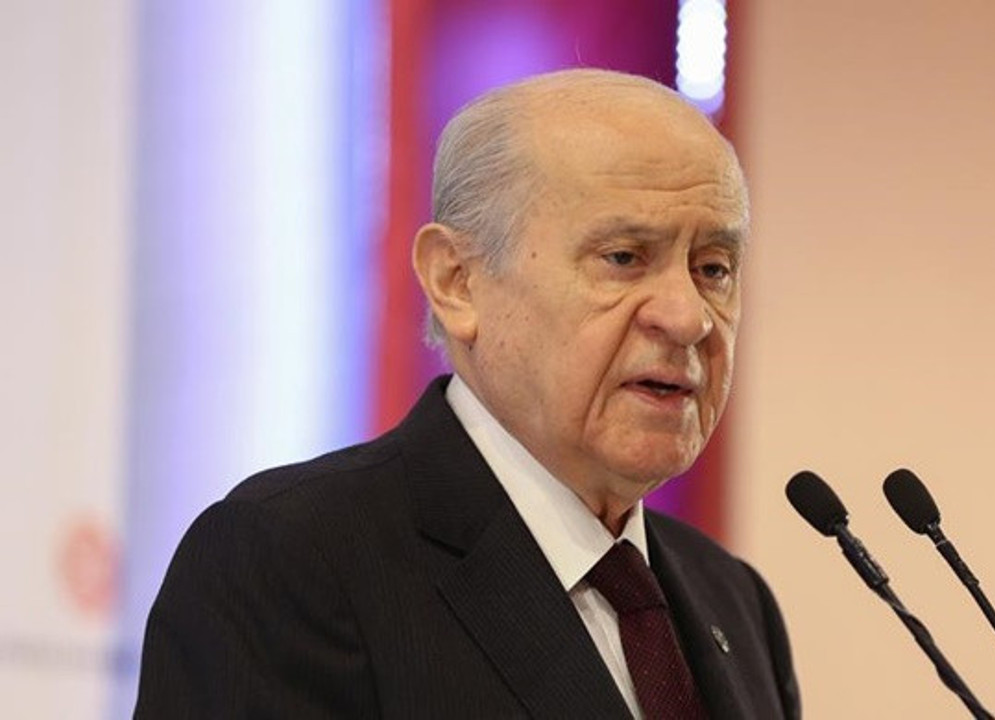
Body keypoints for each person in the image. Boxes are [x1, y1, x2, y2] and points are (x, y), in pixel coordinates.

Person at [135, 68, 800, 719]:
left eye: (714, 268)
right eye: (623, 258)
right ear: (457, 281)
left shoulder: (734, 601)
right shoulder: (292, 561)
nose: (688, 317)